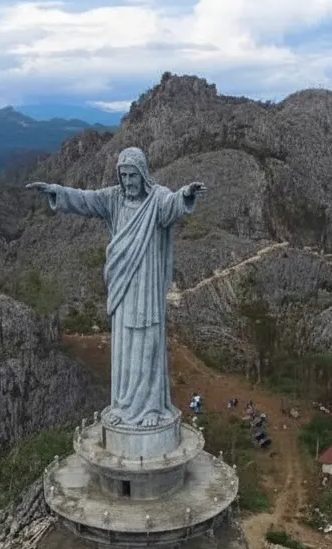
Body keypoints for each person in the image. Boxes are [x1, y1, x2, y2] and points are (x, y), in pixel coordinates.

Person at [26, 148, 205, 428]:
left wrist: (185, 195)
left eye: (133, 175)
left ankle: (150, 410)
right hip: (123, 288)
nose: (129, 181)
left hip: (146, 290)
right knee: (124, 349)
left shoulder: (156, 200)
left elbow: (172, 205)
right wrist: (57, 192)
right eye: (124, 176)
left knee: (146, 346)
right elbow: (85, 200)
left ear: (143, 175)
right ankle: (123, 404)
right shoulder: (113, 199)